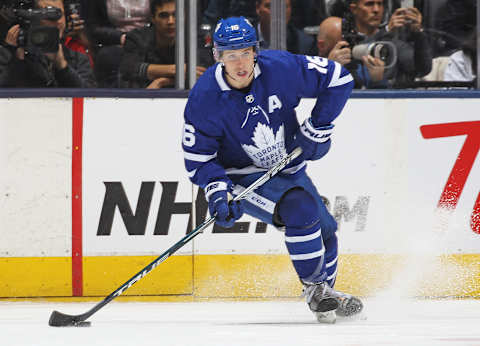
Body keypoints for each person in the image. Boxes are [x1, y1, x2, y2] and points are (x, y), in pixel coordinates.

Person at [182, 16, 363, 323]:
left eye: (245, 52)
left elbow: (339, 79)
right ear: (218, 56)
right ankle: (316, 289)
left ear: (256, 50)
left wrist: (317, 126)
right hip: (240, 179)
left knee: (327, 231)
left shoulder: (281, 68)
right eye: (231, 54)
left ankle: (326, 299)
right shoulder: (204, 98)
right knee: (300, 208)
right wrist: (217, 191)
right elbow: (199, 159)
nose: (240, 63)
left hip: (286, 167)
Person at [0, 0, 95, 87]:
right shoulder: (8, 54)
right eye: (48, 16)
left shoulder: (78, 59)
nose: (57, 22)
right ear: (32, 19)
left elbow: (90, 100)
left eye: (59, 14)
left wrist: (62, 66)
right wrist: (17, 60)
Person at [120, 0, 208, 88]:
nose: (170, 21)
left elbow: (203, 73)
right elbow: (129, 69)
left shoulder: (196, 38)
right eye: (163, 16)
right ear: (152, 18)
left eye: (176, 15)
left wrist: (162, 81)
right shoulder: (137, 37)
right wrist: (177, 70)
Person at [87, 0, 150, 87]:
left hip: (150, 39)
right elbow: (93, 27)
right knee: (107, 56)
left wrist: (144, 38)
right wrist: (120, 37)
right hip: (115, 42)